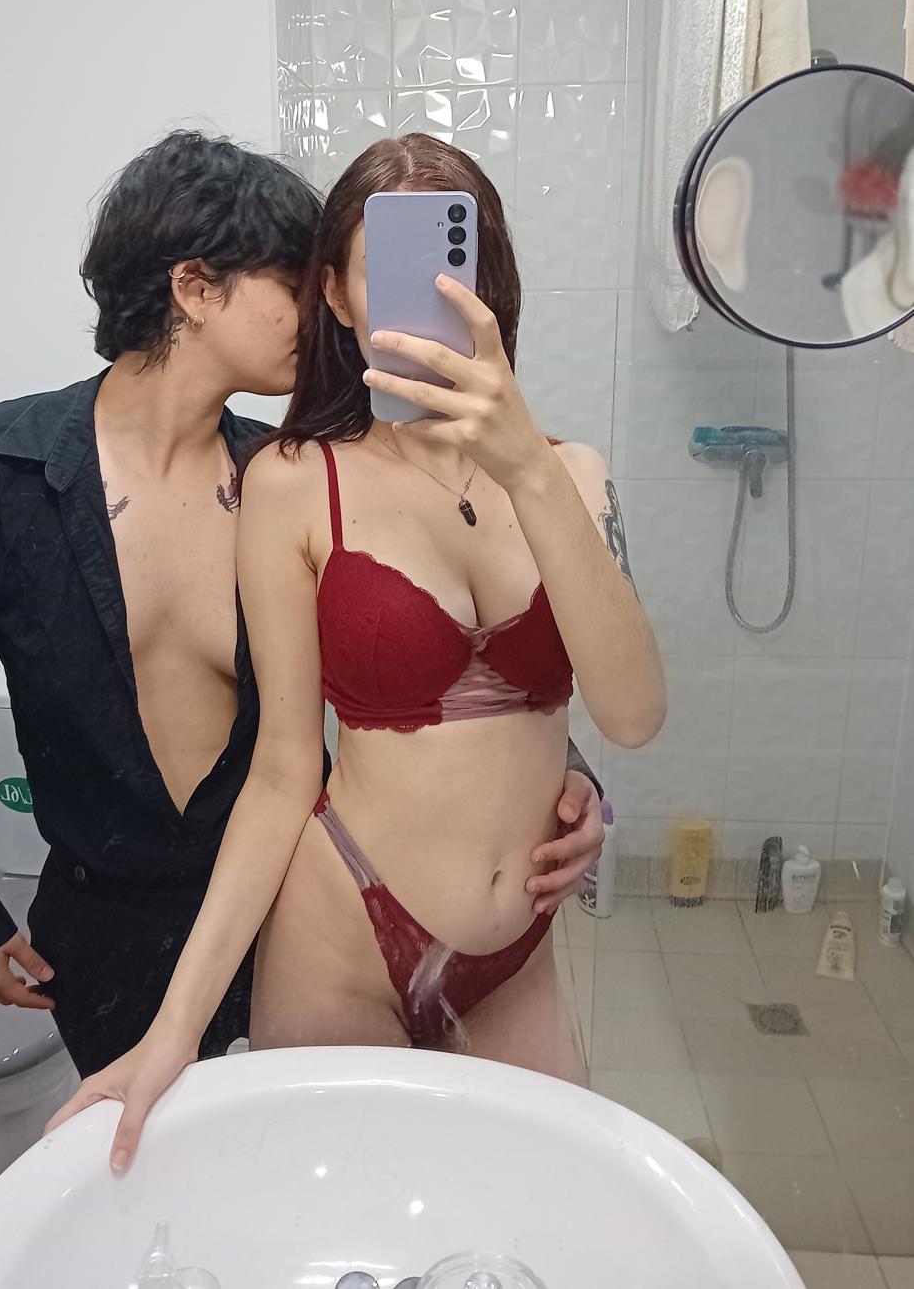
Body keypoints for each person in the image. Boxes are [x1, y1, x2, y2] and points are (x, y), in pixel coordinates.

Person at [0, 130, 607, 1082]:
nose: (323, 311)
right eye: (297, 284)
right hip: (101, 923)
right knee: (158, 1159)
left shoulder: (285, 476)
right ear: (194, 287)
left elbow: (448, 637)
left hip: (292, 894)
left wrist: (565, 777)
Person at [50, 134, 666, 1170]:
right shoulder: (293, 483)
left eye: (459, 261)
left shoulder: (572, 476)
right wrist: (173, 1032)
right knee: (335, 1226)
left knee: (525, 1215)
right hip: (342, 930)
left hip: (516, 954)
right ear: (334, 295)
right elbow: (283, 770)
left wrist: (526, 467)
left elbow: (633, 714)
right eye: (396, 269)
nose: (436, 295)